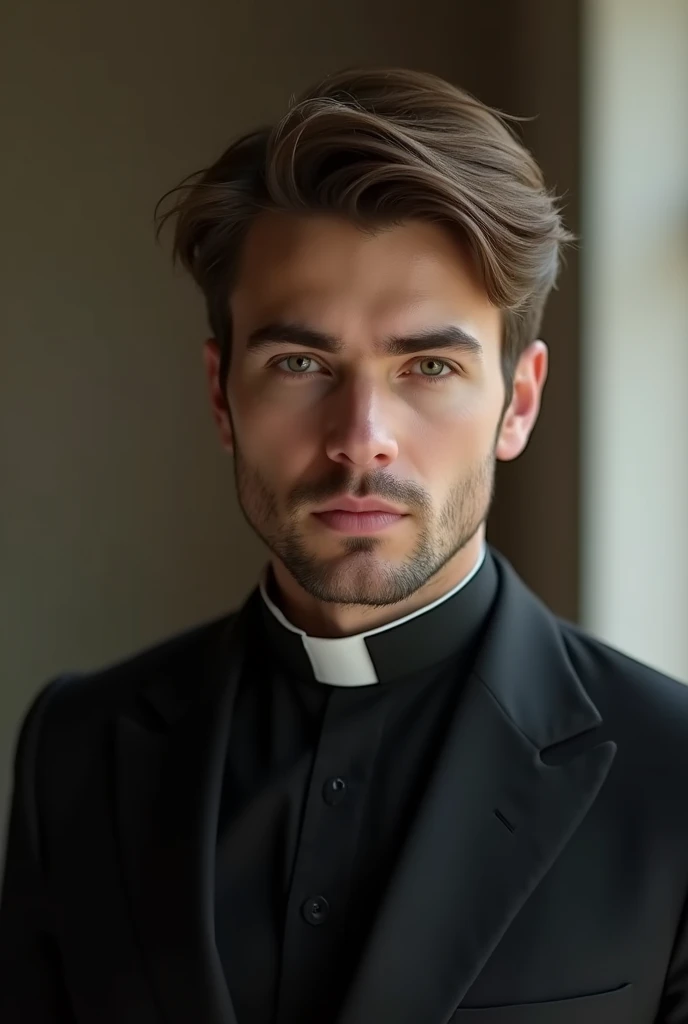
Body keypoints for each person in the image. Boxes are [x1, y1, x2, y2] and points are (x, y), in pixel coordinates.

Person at [1, 66, 687, 1024]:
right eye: (299, 362)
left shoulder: (676, 773)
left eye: (429, 366)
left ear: (517, 402)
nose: (361, 433)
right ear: (219, 394)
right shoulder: (73, 752)